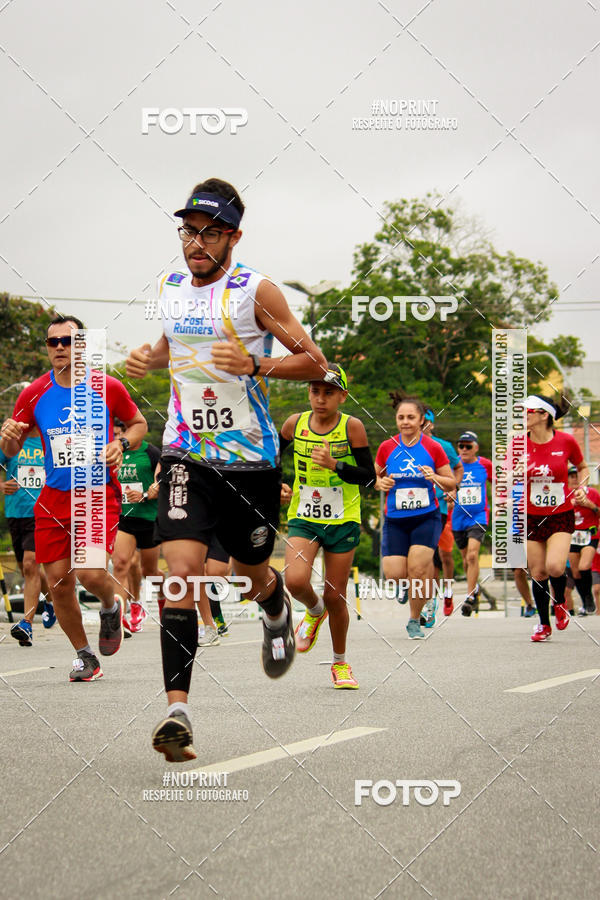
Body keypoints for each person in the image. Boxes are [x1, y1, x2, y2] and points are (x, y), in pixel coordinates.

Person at [126, 177, 327, 762]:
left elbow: (317, 362)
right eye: (189, 231)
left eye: (210, 232)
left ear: (234, 236)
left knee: (246, 570)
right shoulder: (168, 286)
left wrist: (256, 363)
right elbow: (173, 345)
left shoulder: (256, 292)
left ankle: (274, 608)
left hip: (251, 461)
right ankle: (177, 712)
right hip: (187, 452)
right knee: (180, 575)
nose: (197, 242)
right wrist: (148, 356)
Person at [0, 316, 147, 680]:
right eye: (54, 342)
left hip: (96, 490)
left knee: (88, 572)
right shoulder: (33, 393)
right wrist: (7, 437)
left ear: (82, 345)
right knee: (59, 582)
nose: (61, 347)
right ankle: (85, 656)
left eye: (68, 340)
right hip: (53, 496)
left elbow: (139, 424)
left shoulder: (108, 387)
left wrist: (121, 443)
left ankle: (111, 606)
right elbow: (12, 445)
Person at [280, 363, 375, 689]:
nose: (320, 398)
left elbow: (369, 477)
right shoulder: (295, 423)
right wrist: (276, 485)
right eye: (315, 391)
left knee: (336, 595)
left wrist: (336, 465)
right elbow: (270, 461)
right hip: (304, 515)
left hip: (342, 517)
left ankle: (340, 663)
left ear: (342, 396)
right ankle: (313, 610)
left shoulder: (353, 427)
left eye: (329, 392)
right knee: (294, 581)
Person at [375, 394, 455, 639]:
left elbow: (451, 482)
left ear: (422, 420)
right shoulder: (387, 447)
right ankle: (404, 587)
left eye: (411, 417)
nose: (405, 422)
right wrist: (381, 482)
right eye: (401, 417)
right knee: (394, 574)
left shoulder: (433, 448)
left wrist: (435, 477)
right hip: (396, 519)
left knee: (418, 570)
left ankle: (414, 619)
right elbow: (375, 477)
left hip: (425, 517)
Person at [525, 395, 588, 642]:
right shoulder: (518, 443)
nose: (524, 414)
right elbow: (504, 473)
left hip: (560, 514)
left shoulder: (566, 441)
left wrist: (581, 486)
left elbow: (582, 467)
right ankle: (543, 624)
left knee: (554, 567)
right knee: (538, 573)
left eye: (529, 411)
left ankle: (560, 602)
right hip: (531, 516)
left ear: (544, 415)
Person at [0, 428, 54, 644]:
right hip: (15, 512)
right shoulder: (11, 441)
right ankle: (51, 600)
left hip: (41, 512)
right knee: (27, 569)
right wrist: (2, 485)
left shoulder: (49, 440)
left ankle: (26, 624)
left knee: (31, 564)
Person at [111, 420, 162, 632]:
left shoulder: (150, 452)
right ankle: (117, 618)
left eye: (118, 434)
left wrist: (149, 492)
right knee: (121, 564)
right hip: (124, 518)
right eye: (111, 434)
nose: (115, 439)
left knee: (148, 571)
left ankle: (164, 602)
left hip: (149, 518)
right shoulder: (112, 454)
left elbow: (163, 480)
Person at [422, 408, 462, 616]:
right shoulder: (404, 445)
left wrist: (453, 490)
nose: (423, 426)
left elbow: (458, 468)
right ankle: (429, 597)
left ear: (432, 424)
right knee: (427, 554)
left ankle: (447, 592)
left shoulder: (442, 446)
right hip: (417, 507)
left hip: (441, 505)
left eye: (427, 422)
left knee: (444, 554)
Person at [451, 431, 493, 617]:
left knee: (472, 556)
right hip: (458, 517)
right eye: (461, 446)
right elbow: (442, 484)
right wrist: (448, 496)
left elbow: (499, 483)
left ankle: (469, 597)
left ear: (476, 447)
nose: (464, 449)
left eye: (468, 446)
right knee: (465, 559)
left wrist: (502, 501)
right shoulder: (453, 465)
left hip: (478, 515)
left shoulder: (485, 464)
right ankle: (474, 590)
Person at [567, 465, 600, 616]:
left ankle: (588, 597)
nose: (575, 479)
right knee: (576, 572)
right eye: (572, 476)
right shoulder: (564, 495)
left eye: (577, 475)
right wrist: (568, 506)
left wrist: (590, 505)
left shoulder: (592, 493)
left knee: (584, 566)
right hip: (572, 536)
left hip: (590, 535)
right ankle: (586, 598)